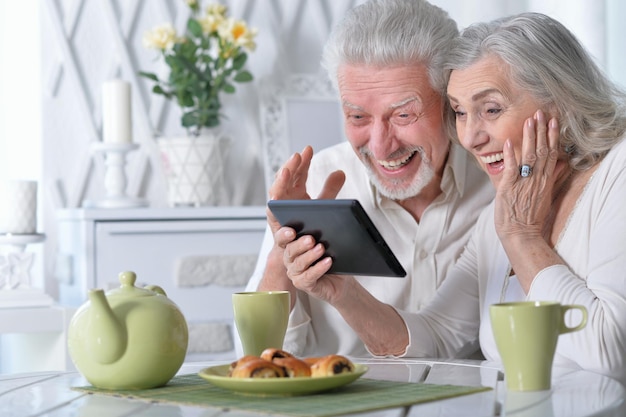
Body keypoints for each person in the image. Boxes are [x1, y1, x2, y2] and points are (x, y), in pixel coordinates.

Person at [278, 11, 626, 384]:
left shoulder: (615, 173)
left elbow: (612, 352)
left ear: (560, 102)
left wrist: (522, 239)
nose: (471, 137)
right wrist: (342, 292)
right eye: (460, 112)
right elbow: (437, 335)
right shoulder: (503, 210)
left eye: (491, 109)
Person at [243, 0, 494, 358]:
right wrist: (280, 254)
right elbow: (255, 358)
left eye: (404, 114)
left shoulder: (494, 183)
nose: (380, 146)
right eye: (358, 117)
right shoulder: (315, 182)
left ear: (449, 104)